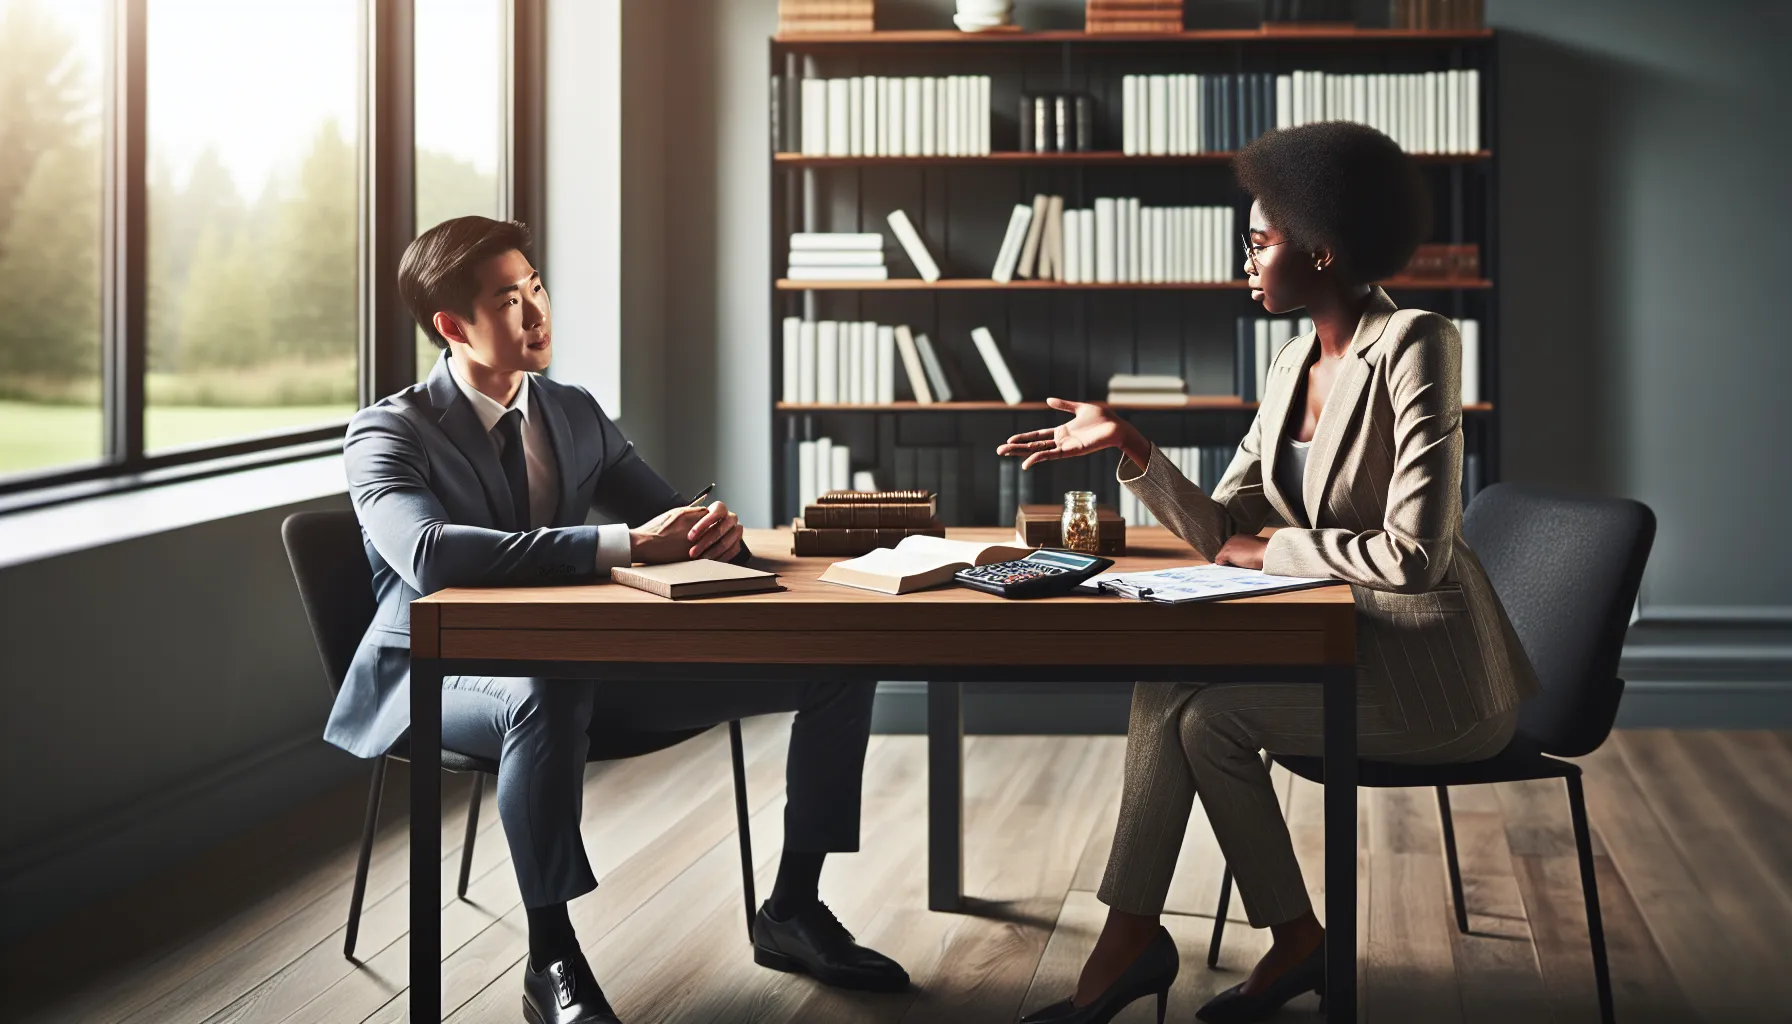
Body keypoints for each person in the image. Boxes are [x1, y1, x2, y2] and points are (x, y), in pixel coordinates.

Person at [1000, 123, 1539, 1024]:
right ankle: (1148, 937)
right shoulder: (1290, 361)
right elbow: (1220, 530)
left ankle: (1257, 943)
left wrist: (1269, 552)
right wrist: (1131, 446)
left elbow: (1416, 555)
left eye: (1258, 241)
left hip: (1437, 680)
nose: (1243, 260)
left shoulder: (1417, 342)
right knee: (1170, 676)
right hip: (1349, 647)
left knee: (1212, 718)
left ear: (1323, 250)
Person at [327, 217, 907, 1024]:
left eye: (537, 287)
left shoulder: (571, 410)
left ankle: (793, 911)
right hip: (438, 677)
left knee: (837, 664)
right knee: (546, 692)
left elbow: (666, 514)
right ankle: (551, 957)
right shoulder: (389, 431)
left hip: (581, 665)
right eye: (509, 300)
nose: (537, 314)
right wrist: (625, 543)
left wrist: (713, 530)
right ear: (451, 326)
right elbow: (428, 556)